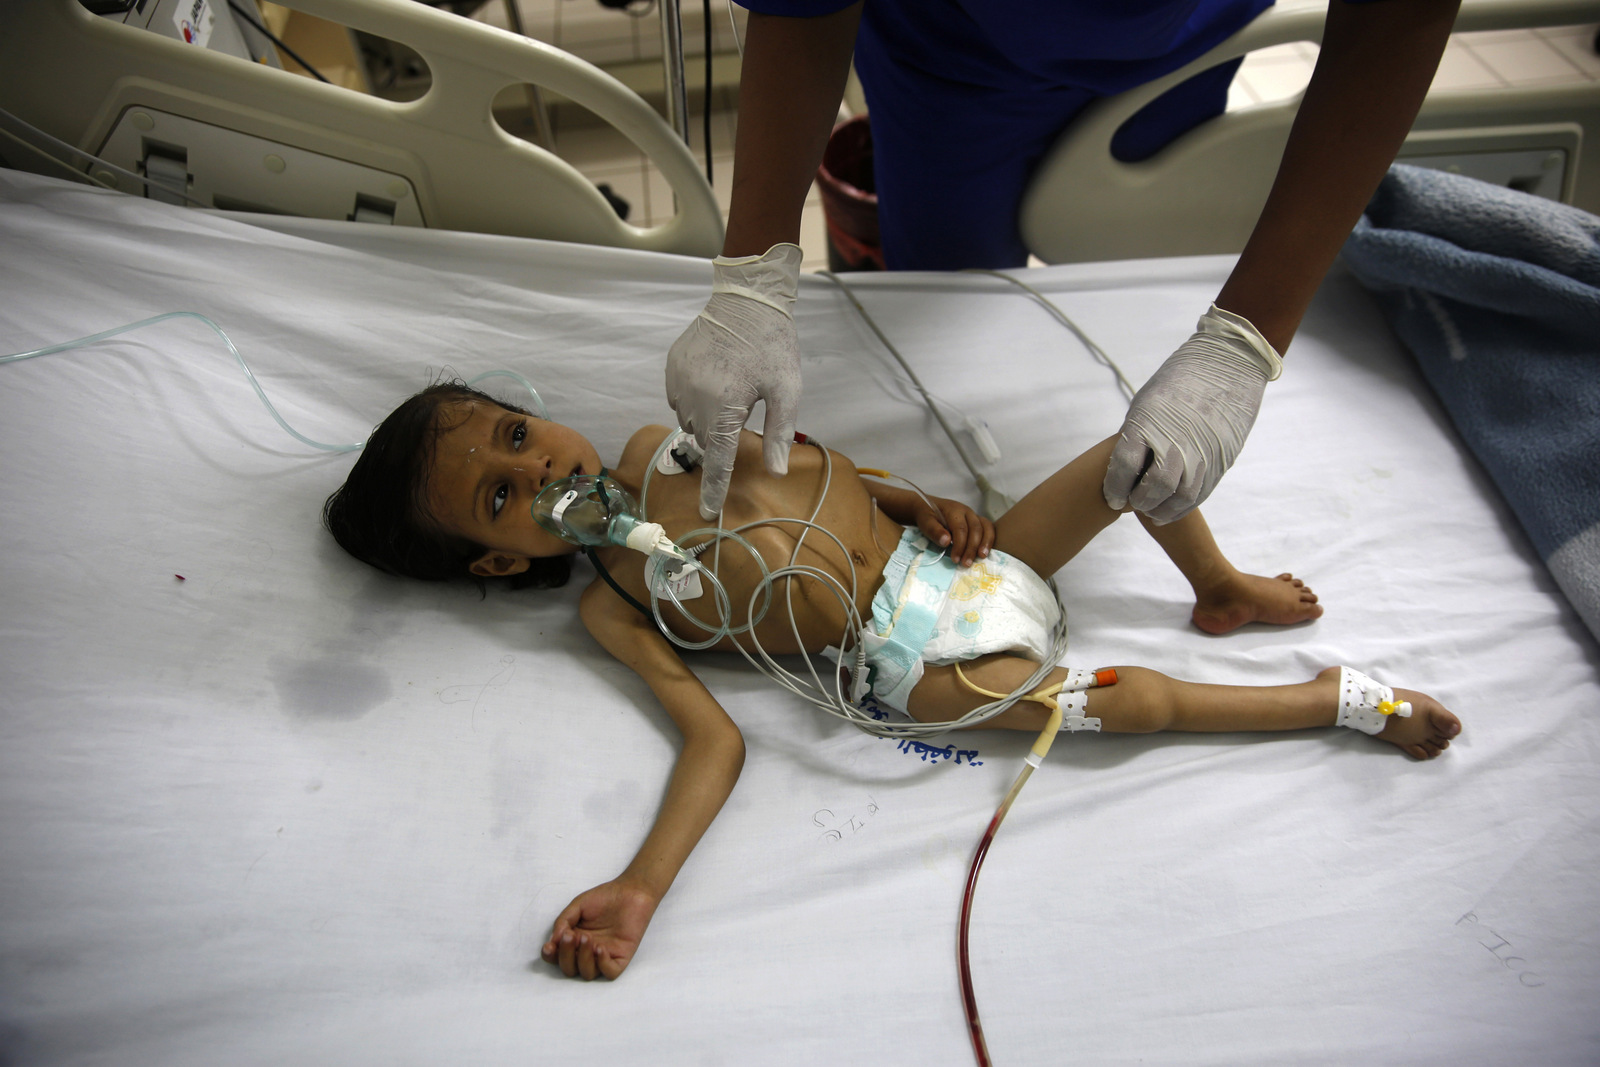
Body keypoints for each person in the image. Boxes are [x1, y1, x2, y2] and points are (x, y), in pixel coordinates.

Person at [322, 381, 1462, 981]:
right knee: (1119, 705)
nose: (539, 468)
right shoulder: (614, 606)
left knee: (1136, 453)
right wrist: (640, 885)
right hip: (911, 658)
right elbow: (715, 744)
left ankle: (1218, 582)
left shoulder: (654, 444)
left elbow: (815, 474)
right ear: (494, 561)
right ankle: (1331, 700)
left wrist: (914, 498)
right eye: (502, 498)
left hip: (960, 554)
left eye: (517, 434)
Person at [665, 0, 1462, 524]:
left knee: (1133, 304)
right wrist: (750, 280)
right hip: (947, 47)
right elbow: (802, 14)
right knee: (951, 295)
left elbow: (1404, 14)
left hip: (1179, 41)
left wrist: (1244, 341)